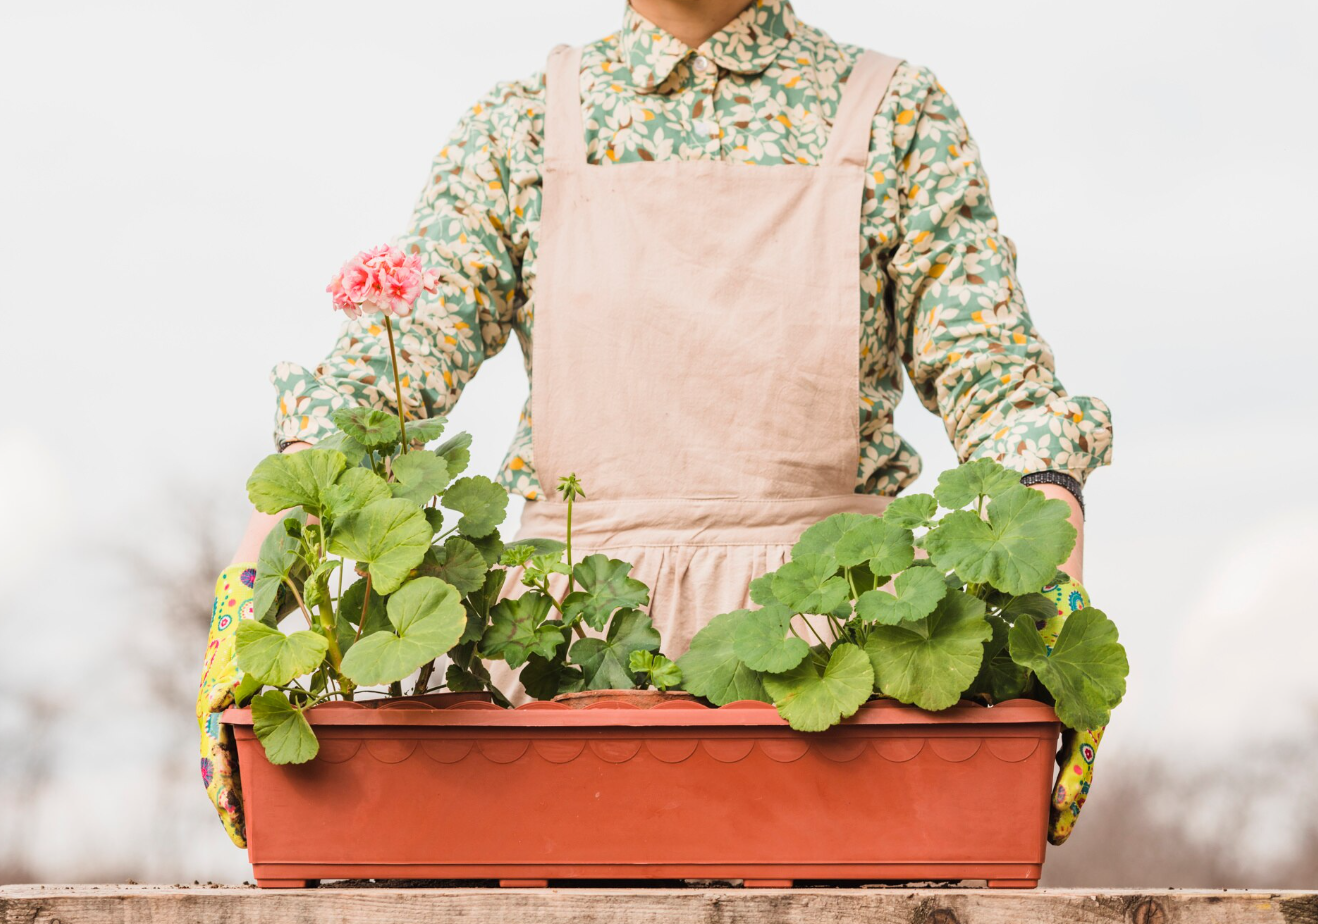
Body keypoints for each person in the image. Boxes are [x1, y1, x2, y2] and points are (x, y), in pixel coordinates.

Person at [200, 0, 1111, 852]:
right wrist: (248, 612)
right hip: (568, 666)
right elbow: (378, 391)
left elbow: (1004, 395)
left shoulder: (893, 115)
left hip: (836, 664)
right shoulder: (523, 128)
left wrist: (1057, 609)